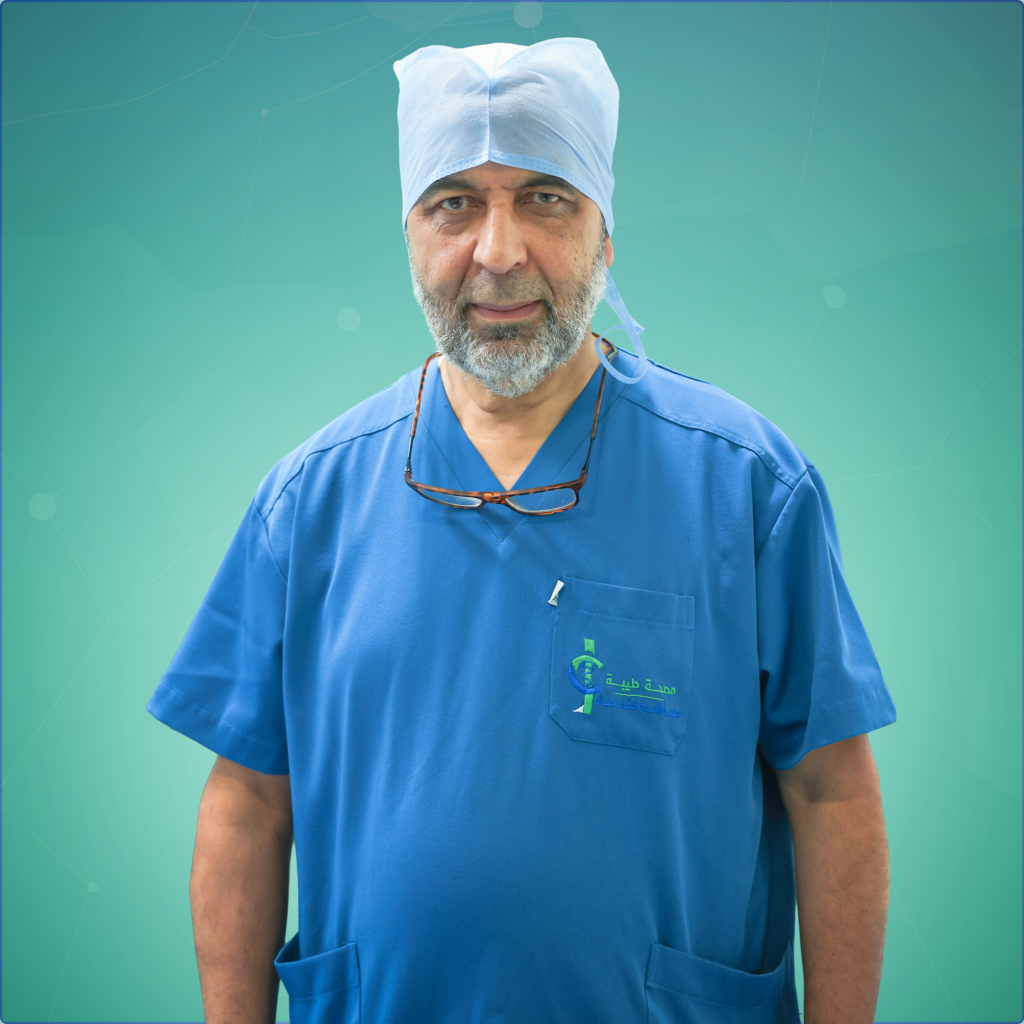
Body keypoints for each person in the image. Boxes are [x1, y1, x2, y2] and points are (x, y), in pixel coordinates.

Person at [146, 37, 897, 1024]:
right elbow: (247, 803)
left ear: (604, 232)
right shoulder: (308, 504)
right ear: (409, 235)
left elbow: (830, 792)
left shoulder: (746, 486)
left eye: (545, 197)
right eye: (454, 202)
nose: (498, 252)